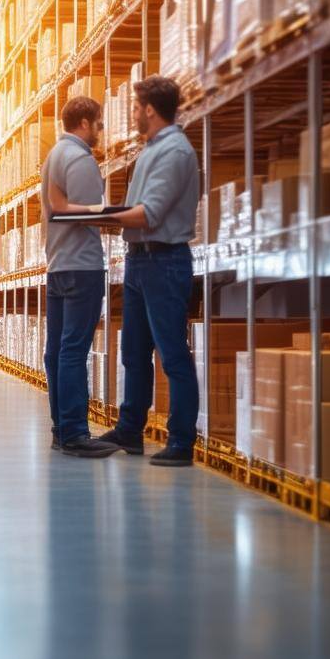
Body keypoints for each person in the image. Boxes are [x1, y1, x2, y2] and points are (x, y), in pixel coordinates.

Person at [100, 76, 201, 466]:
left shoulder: (175, 152)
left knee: (172, 353)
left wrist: (97, 220)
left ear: (150, 110)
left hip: (164, 259)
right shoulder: (149, 151)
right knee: (133, 352)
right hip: (139, 259)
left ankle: (181, 441)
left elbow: (150, 213)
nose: (132, 113)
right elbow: (134, 210)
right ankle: (130, 429)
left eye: (135, 107)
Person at [41, 97, 118, 458]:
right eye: (99, 124)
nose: (101, 131)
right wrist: (124, 218)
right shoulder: (80, 158)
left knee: (56, 351)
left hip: (57, 266)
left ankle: (61, 428)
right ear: (85, 123)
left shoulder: (54, 156)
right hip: (81, 266)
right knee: (73, 351)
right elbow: (84, 213)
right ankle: (74, 432)